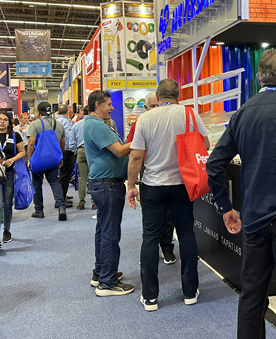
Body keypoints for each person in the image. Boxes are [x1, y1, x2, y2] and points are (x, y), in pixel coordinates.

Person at [206, 49, 276, 339]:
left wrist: (225, 207)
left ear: (258, 78)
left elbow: (215, 163)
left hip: (254, 219)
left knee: (252, 294)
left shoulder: (242, 113)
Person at [127, 79, 208, 311]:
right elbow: (204, 143)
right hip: (182, 184)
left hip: (152, 186)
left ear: (157, 95)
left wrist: (131, 185)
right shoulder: (190, 114)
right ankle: (190, 292)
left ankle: (150, 297)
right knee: (186, 235)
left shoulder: (145, 119)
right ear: (178, 94)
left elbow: (136, 156)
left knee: (150, 238)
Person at [84, 90, 134, 296]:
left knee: (104, 230)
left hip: (104, 184)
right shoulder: (96, 125)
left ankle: (101, 273)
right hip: (108, 185)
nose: (112, 108)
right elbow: (120, 151)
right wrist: (143, 139)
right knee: (110, 234)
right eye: (108, 104)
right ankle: (108, 282)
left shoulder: (95, 124)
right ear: (97, 105)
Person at [126, 92, 176, 265]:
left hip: (170, 171)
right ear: (146, 108)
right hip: (147, 170)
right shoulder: (140, 123)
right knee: (150, 215)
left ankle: (167, 248)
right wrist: (133, 178)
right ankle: (151, 251)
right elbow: (133, 151)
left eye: (158, 104)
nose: (156, 108)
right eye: (152, 106)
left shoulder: (171, 120)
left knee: (168, 213)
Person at [0, 111, 25, 249]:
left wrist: (12, 159)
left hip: (9, 173)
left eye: (5, 120)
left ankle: (6, 230)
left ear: (9, 122)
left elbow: (22, 151)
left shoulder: (15, 135)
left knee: (7, 204)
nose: (2, 122)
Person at [27, 102, 67, 221]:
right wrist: (60, 156)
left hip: (38, 159)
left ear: (38, 112)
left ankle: (39, 210)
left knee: (37, 184)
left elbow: (31, 143)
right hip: (53, 159)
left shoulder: (35, 124)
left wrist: (29, 159)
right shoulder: (58, 124)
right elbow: (63, 143)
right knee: (55, 182)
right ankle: (61, 208)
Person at [71, 106, 93, 210]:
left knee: (82, 178)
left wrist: (76, 151)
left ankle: (81, 202)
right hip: (93, 151)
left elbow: (71, 142)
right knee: (93, 177)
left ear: (83, 113)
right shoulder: (95, 124)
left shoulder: (76, 125)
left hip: (81, 150)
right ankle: (94, 202)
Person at [56, 104, 75, 208]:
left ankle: (62, 195)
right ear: (67, 112)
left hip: (58, 150)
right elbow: (67, 137)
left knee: (63, 174)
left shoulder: (56, 121)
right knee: (65, 175)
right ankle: (61, 198)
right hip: (66, 151)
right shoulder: (65, 122)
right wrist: (71, 148)